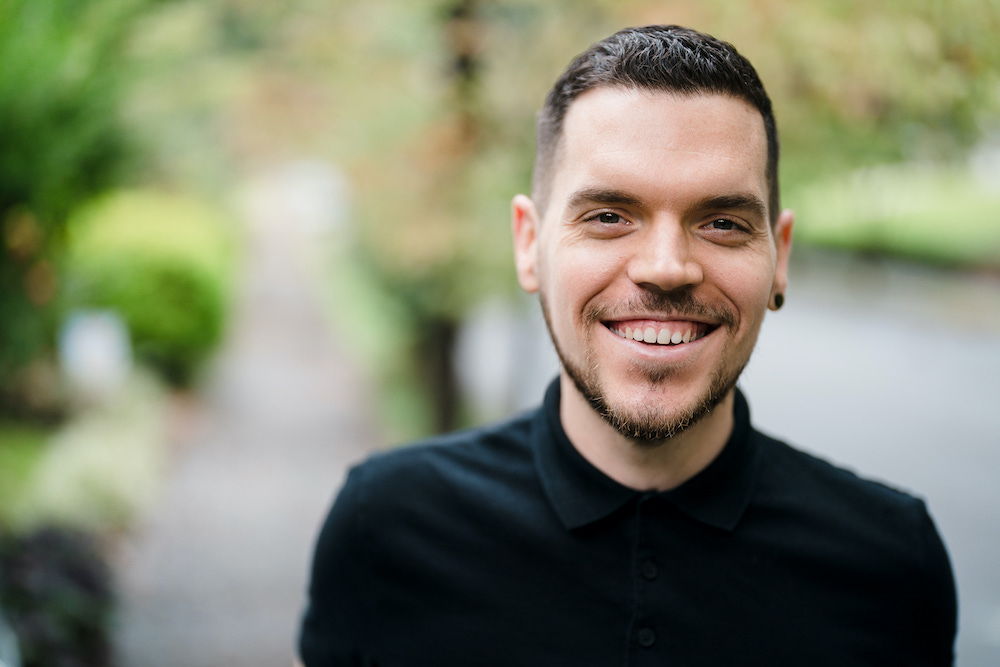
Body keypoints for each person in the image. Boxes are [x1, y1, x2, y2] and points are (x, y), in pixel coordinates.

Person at [298, 25, 957, 666]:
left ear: (778, 257)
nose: (666, 267)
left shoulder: (893, 562)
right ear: (530, 243)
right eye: (609, 216)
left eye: (723, 222)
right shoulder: (383, 527)